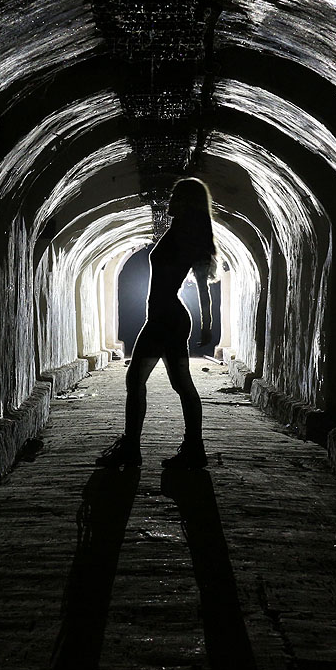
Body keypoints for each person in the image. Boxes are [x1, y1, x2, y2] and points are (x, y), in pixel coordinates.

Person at [97, 177, 217, 470]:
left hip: (165, 318)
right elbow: (200, 285)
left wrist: (207, 324)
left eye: (177, 196)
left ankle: (133, 448)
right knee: (178, 384)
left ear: (187, 202)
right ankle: (191, 448)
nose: (170, 200)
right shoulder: (181, 231)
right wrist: (205, 324)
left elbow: (202, 286)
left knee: (141, 380)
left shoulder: (185, 234)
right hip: (167, 317)